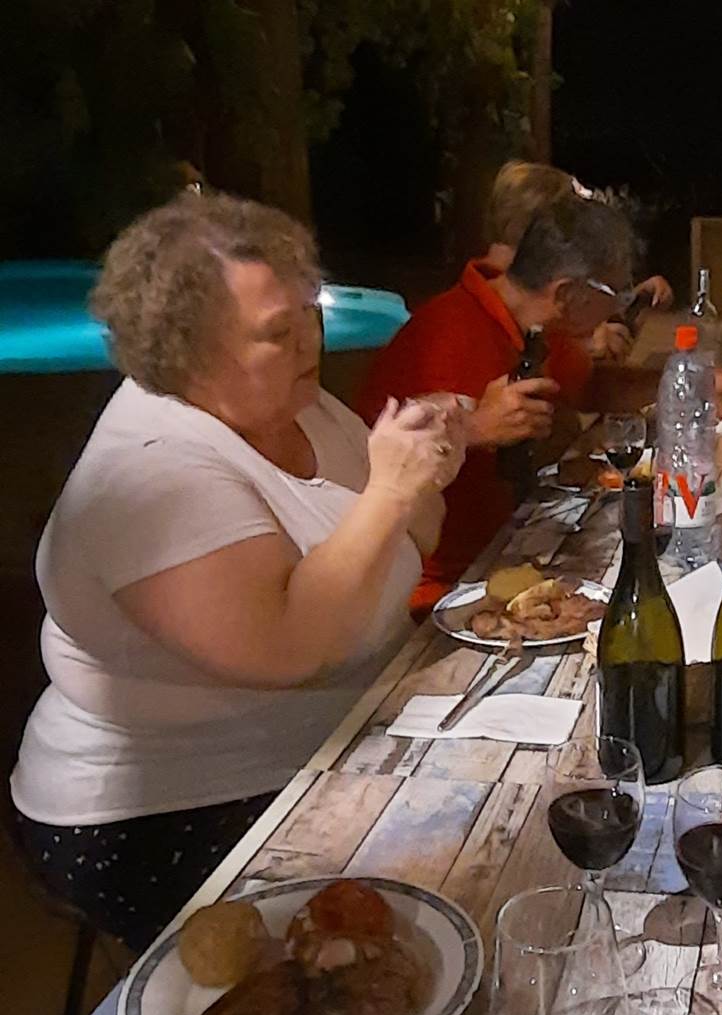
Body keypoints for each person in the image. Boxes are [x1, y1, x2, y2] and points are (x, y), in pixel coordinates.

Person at [9, 194, 466, 949]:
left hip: (332, 751)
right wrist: (389, 490)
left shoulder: (303, 407)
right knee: (428, 917)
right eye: (275, 334)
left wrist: (419, 477)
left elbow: (414, 534)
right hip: (166, 811)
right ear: (184, 353)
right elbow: (285, 648)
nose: (309, 342)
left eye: (309, 314)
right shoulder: (156, 468)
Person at [355, 193, 637, 613]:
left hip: (514, 547)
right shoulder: (444, 337)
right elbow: (364, 468)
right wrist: (477, 428)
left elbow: (591, 389)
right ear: (568, 293)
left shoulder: (538, 327)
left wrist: (690, 377)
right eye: (617, 292)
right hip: (434, 591)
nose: (620, 307)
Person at [482, 161, 675, 364]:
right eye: (569, 221)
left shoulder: (519, 283)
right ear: (541, 229)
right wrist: (585, 347)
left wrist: (627, 301)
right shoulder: (508, 299)